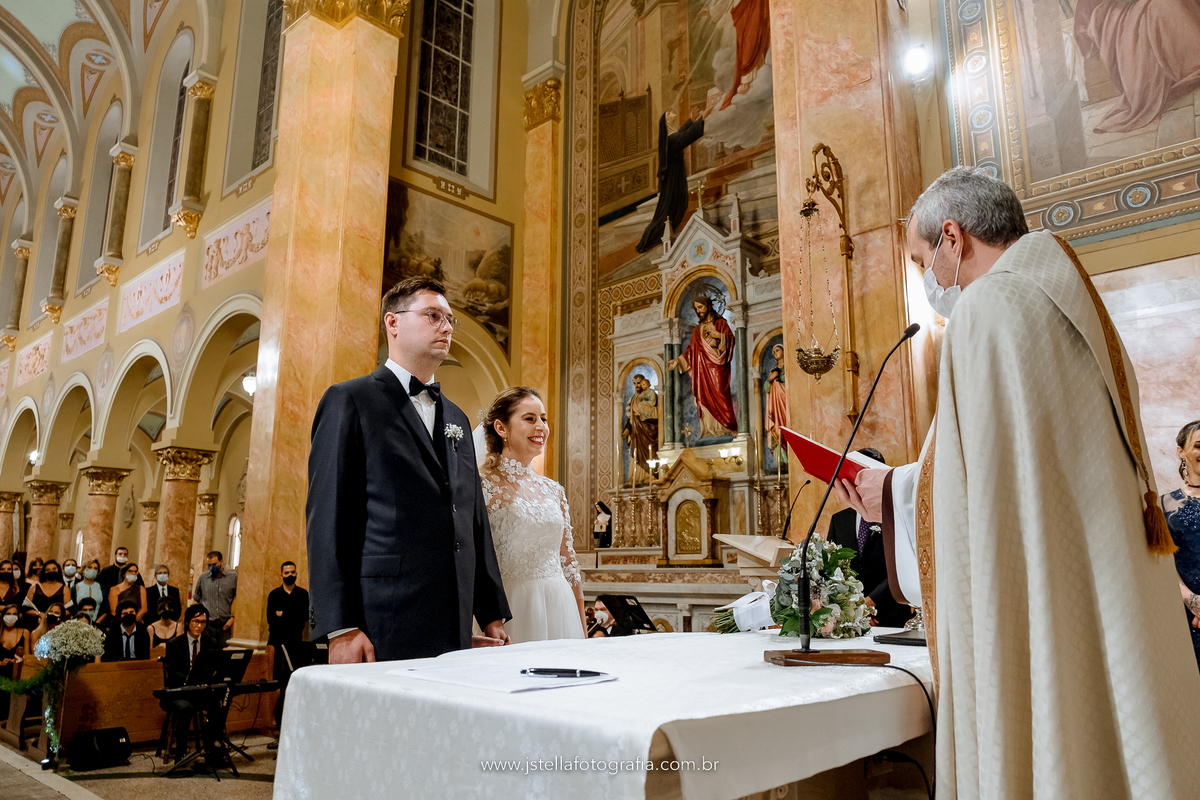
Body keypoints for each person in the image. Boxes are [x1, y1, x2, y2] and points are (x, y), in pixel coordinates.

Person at [836, 166, 1200, 797]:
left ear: (953, 237)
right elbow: (1011, 463)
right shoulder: (1066, 305)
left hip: (1043, 593)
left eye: (923, 260)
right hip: (1098, 587)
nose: (928, 281)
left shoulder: (990, 310)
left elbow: (977, 489)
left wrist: (891, 494)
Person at [306, 277, 510, 663]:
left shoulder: (458, 418)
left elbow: (472, 517)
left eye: (450, 319)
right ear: (393, 323)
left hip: (453, 619)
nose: (447, 327)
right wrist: (341, 627)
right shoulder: (350, 400)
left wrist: (491, 612)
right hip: (381, 618)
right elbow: (328, 518)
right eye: (433, 315)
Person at [479, 388, 585, 644]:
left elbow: (569, 564)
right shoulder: (481, 486)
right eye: (530, 419)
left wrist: (582, 630)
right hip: (512, 609)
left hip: (560, 606)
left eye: (544, 419)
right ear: (501, 428)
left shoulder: (554, 490)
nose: (541, 427)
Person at [827, 449, 911, 629]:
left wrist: (869, 603)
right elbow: (832, 568)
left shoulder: (895, 515)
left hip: (889, 612)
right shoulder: (839, 520)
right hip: (849, 615)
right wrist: (853, 607)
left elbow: (903, 564)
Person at [636, 108, 710, 254]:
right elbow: (686, 137)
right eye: (668, 113)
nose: (672, 114)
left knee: (673, 206)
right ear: (665, 121)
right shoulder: (671, 140)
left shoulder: (670, 137)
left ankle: (668, 229)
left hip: (676, 176)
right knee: (670, 208)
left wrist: (691, 120)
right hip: (674, 179)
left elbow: (681, 133)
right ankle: (654, 235)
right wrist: (702, 119)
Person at [669, 293, 737, 439]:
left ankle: (726, 428)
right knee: (704, 398)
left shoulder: (721, 324)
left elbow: (730, 340)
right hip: (702, 371)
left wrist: (718, 335)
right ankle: (709, 431)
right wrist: (678, 361)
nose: (699, 311)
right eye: (696, 308)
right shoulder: (696, 330)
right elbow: (690, 351)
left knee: (720, 393)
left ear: (708, 306)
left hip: (718, 367)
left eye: (700, 307)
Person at [161, 605, 219, 762]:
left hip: (200, 691)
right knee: (186, 708)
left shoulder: (211, 643)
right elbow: (173, 673)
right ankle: (181, 752)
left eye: (203, 622)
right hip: (180, 691)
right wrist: (192, 680)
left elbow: (215, 668)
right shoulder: (174, 644)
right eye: (196, 621)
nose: (199, 625)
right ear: (187, 622)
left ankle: (210, 746)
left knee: (216, 703)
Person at [1164, 419, 1200, 671]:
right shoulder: (1164, 505)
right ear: (1181, 452)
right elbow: (1160, 563)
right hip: (1184, 616)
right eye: (1198, 445)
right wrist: (1193, 601)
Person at [266, 561, 309, 725]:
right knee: (278, 682)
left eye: (293, 572)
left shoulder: (303, 594)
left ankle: (292, 720)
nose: (290, 575)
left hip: (296, 644)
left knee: (293, 681)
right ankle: (276, 721)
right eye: (287, 573)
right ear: (281, 575)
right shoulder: (274, 595)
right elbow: (272, 620)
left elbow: (303, 618)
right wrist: (289, 618)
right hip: (277, 645)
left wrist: (283, 615)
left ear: (296, 574)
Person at [193, 551, 236, 648]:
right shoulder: (203, 578)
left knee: (223, 654)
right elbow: (196, 600)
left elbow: (238, 600)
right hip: (207, 624)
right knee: (206, 653)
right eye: (209, 565)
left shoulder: (233, 578)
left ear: (221, 561)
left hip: (225, 624)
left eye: (214, 564)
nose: (212, 567)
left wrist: (233, 618)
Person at [621, 374, 659, 479]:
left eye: (639, 383)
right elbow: (632, 417)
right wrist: (627, 429)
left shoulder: (650, 394)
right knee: (636, 452)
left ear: (644, 383)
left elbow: (657, 412)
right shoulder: (634, 398)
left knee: (648, 452)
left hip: (648, 428)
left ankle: (648, 477)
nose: (637, 385)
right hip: (636, 430)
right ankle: (636, 477)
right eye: (634, 383)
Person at [23, 560, 72, 630]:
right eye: (48, 570)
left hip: (56, 625)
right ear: (44, 572)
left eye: (54, 569)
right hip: (35, 624)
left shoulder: (64, 588)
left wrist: (51, 618)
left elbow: (68, 610)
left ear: (58, 571)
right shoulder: (35, 587)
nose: (51, 571)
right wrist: (40, 614)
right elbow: (26, 608)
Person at [74, 559, 106, 627]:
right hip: (78, 623)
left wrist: (97, 622)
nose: (93, 570)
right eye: (90, 567)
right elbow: (72, 607)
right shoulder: (75, 587)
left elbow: (105, 608)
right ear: (83, 570)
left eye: (95, 568)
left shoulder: (102, 587)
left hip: (97, 623)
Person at [1, 603, 28, 674]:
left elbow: (27, 657)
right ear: (3, 616)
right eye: (8, 614)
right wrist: (1, 663)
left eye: (14, 614)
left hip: (18, 672)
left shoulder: (24, 632)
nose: (11, 617)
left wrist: (18, 660)